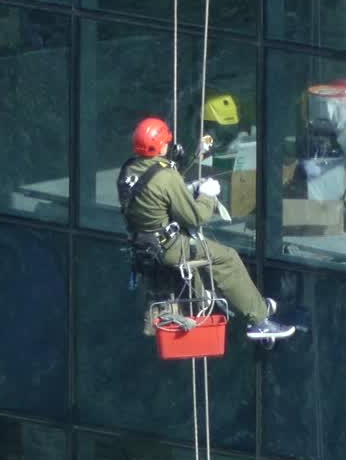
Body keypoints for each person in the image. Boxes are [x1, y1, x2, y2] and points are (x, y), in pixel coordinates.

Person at [118, 116, 295, 341]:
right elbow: (196, 217)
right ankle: (259, 320)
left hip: (144, 246)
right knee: (227, 258)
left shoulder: (129, 170)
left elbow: (161, 189)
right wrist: (207, 195)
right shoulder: (165, 176)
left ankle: (248, 303)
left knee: (213, 257)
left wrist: (194, 158)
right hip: (170, 247)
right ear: (160, 144)